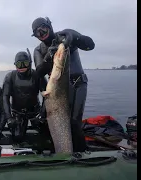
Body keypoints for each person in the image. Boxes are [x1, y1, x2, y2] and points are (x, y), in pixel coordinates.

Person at [31, 17, 95, 152]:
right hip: (58, 89)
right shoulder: (38, 50)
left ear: (49, 25)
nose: (42, 33)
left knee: (74, 122)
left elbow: (90, 45)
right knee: (48, 121)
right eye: (37, 33)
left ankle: (82, 153)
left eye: (43, 28)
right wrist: (48, 56)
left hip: (77, 84)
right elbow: (39, 72)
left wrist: (74, 38)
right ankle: (57, 149)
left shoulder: (65, 36)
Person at [0, 49, 49, 143]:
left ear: (29, 63)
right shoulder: (10, 77)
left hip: (35, 112)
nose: (22, 67)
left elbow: (47, 96)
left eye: (25, 63)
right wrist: (9, 117)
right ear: (15, 65)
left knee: (46, 135)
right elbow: (5, 97)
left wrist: (42, 115)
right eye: (19, 64)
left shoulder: (37, 75)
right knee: (17, 137)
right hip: (17, 113)